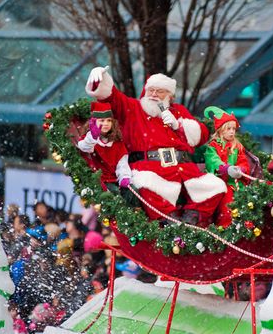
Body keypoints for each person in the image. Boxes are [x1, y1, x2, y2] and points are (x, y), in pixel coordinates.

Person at [85, 67, 227, 225]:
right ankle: (169, 221)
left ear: (170, 96)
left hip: (184, 169)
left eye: (159, 91)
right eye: (150, 90)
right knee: (145, 183)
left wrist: (178, 125)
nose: (153, 94)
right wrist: (101, 79)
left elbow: (202, 135)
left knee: (216, 186)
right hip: (149, 168)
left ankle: (192, 216)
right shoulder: (133, 108)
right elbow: (112, 98)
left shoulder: (178, 111)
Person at [203, 106, 250, 227]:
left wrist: (241, 169)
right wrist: (225, 168)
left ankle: (243, 227)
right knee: (227, 208)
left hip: (236, 184)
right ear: (220, 130)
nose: (232, 132)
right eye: (228, 128)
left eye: (234, 129)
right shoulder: (213, 146)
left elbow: (243, 161)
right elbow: (213, 161)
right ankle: (225, 228)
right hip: (220, 184)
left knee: (246, 205)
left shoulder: (237, 146)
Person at [78, 102, 132, 192]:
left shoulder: (117, 142)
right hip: (97, 181)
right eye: (102, 121)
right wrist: (93, 136)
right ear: (94, 122)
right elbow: (84, 147)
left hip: (114, 180)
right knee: (114, 193)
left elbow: (122, 164)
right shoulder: (89, 138)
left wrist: (124, 177)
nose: (106, 123)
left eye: (109, 120)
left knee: (132, 192)